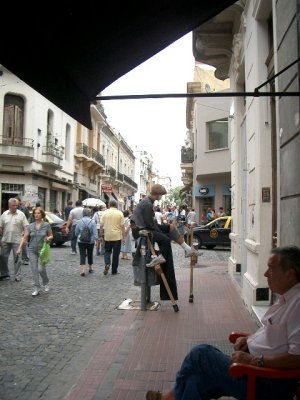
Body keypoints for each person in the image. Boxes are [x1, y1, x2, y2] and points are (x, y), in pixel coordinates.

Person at [146, 246, 300, 400]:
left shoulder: (297, 305)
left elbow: (297, 358)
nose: (266, 274)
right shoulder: (286, 299)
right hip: (255, 370)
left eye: (271, 269)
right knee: (196, 382)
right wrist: (249, 339)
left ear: (290, 274)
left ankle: (172, 395)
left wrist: (254, 360)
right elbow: (275, 338)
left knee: (200, 353)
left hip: (265, 382)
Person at [131, 185, 200, 302]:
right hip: (141, 230)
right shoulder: (147, 204)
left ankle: (187, 249)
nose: (161, 197)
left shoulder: (148, 202)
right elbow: (149, 225)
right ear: (157, 194)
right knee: (166, 240)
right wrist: (163, 233)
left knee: (171, 228)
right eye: (161, 195)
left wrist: (167, 228)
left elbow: (152, 224)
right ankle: (158, 257)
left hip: (147, 227)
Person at [17, 207, 53, 296]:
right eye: (35, 213)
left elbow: (51, 235)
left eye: (38, 213)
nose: (36, 215)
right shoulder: (30, 226)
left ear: (42, 215)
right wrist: (19, 248)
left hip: (42, 250)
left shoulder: (46, 225)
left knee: (41, 269)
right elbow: (25, 237)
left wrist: (48, 238)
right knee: (34, 269)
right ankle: (36, 287)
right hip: (32, 249)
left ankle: (46, 282)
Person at [0, 197, 29, 281]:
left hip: (17, 240)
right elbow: (1, 227)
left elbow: (26, 227)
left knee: (17, 259)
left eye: (17, 205)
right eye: (13, 205)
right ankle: (5, 274)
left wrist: (25, 237)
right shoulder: (4, 214)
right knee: (2, 257)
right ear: (9, 205)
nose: (15, 207)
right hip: (5, 239)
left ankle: (17, 275)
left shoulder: (21, 214)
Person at [99, 200, 125, 275]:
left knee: (107, 251)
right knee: (116, 254)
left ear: (109, 204)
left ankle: (107, 264)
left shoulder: (105, 213)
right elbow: (122, 226)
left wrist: (100, 235)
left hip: (107, 236)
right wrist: (123, 237)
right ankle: (114, 271)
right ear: (116, 205)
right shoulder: (120, 213)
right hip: (117, 236)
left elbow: (101, 226)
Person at [75, 208, 99, 276]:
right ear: (90, 214)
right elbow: (95, 233)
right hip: (90, 241)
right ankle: (90, 268)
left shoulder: (79, 221)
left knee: (82, 254)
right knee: (90, 254)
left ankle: (82, 270)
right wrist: (96, 240)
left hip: (81, 241)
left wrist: (78, 235)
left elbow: (76, 232)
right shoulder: (93, 222)